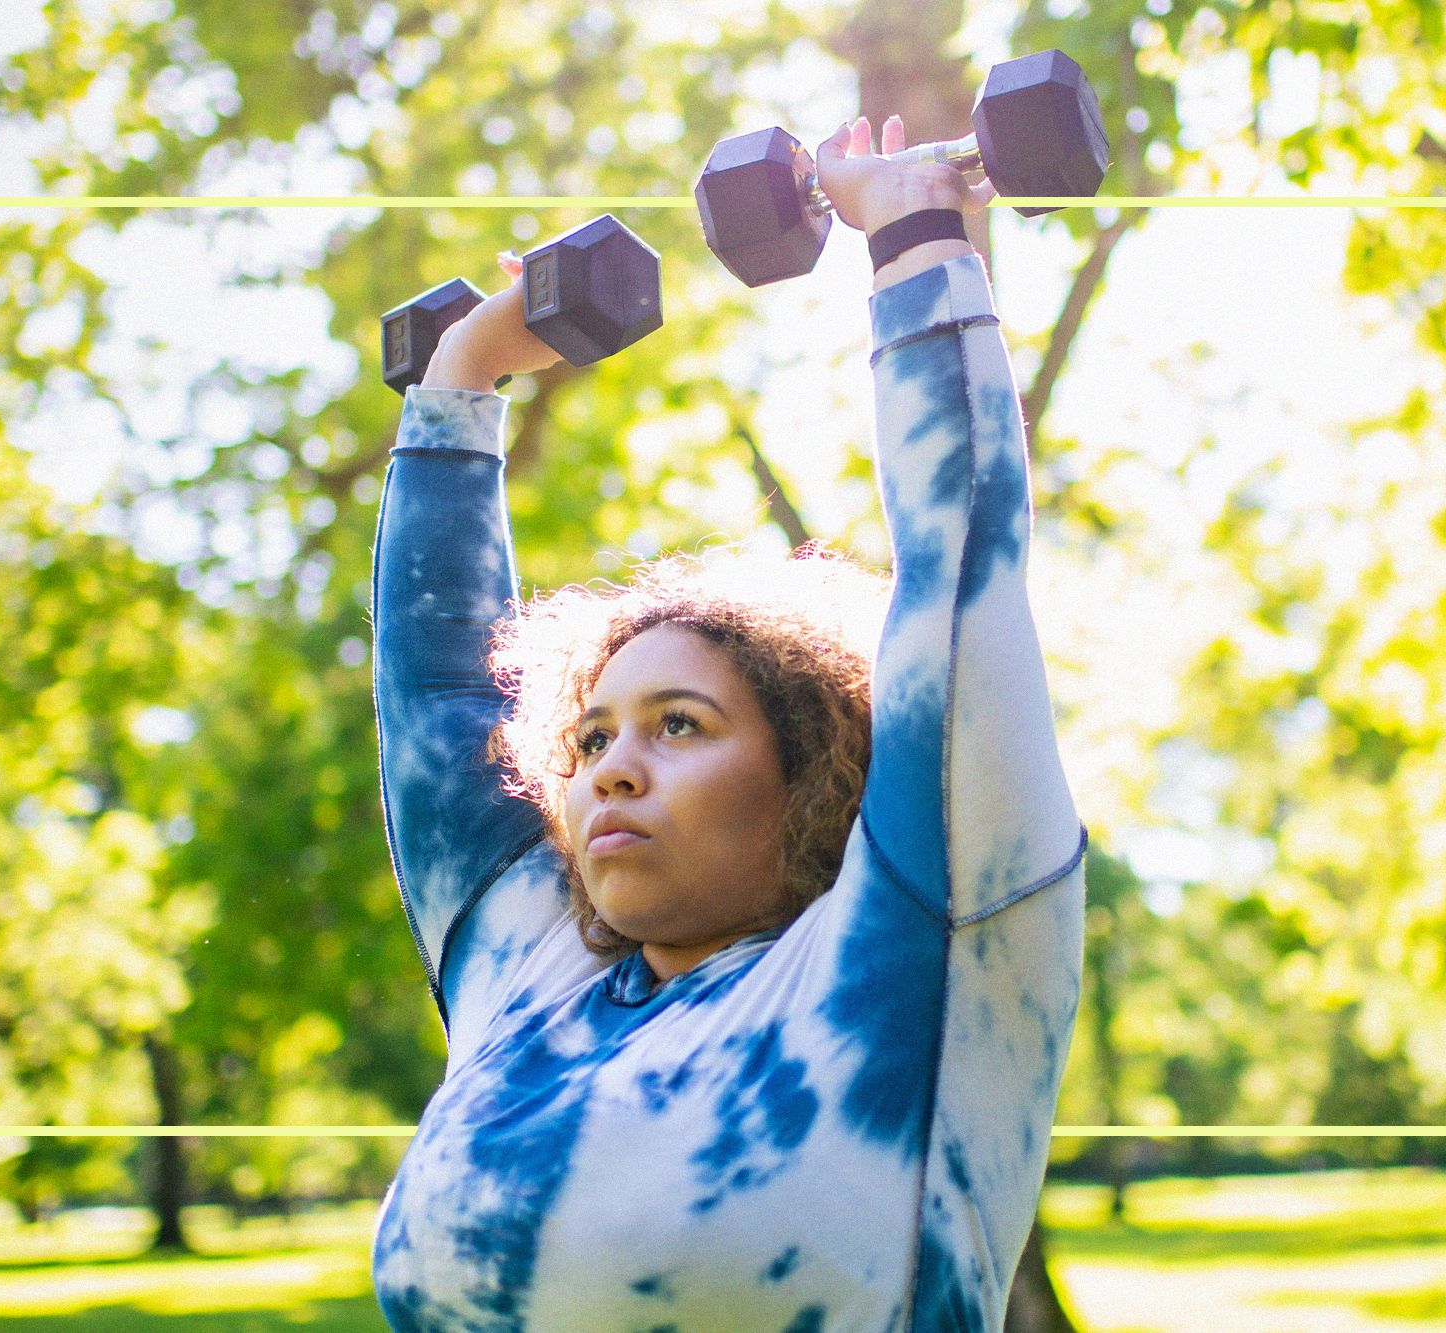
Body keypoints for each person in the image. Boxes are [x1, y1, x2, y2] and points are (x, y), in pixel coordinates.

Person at [369, 113, 1090, 1333]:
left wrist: (914, 228)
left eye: (680, 726)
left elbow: (957, 572)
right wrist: (459, 382)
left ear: (814, 772)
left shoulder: (917, 949)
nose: (613, 771)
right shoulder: (522, 970)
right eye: (591, 738)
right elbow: (443, 699)